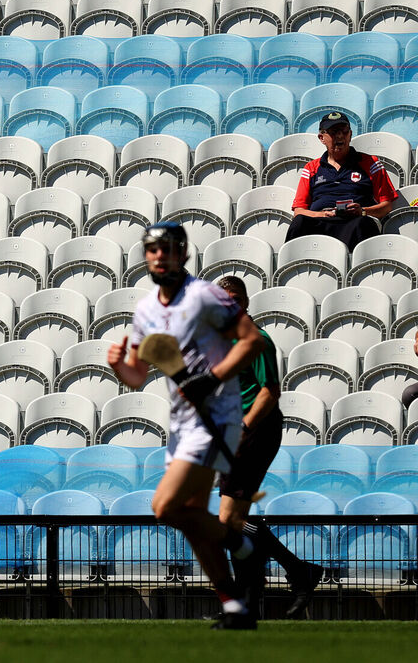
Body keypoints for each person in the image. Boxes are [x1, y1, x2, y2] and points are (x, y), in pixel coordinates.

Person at [107, 222, 269, 630]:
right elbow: (138, 374)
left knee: (165, 508)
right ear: (146, 256)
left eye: (169, 248)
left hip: (217, 417)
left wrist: (212, 378)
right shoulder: (145, 309)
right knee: (193, 516)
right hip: (180, 424)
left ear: (183, 253)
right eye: (153, 249)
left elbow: (252, 342)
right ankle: (234, 605)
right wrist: (118, 366)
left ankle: (243, 543)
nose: (161, 256)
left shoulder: (205, 296)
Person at [214, 275, 324, 620]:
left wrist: (245, 427)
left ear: (244, 303)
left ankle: (292, 573)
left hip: (256, 429)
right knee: (236, 519)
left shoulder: (257, 339)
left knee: (229, 520)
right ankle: (254, 598)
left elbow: (269, 392)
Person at [286, 111, 398, 250]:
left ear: (350, 134)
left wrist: (362, 211)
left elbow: (386, 206)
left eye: (344, 131)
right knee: (299, 222)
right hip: (321, 220)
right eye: (334, 132)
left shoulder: (371, 162)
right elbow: (299, 211)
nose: (340, 136)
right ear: (322, 137)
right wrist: (321, 214)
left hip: (355, 220)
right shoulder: (312, 167)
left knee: (363, 224)